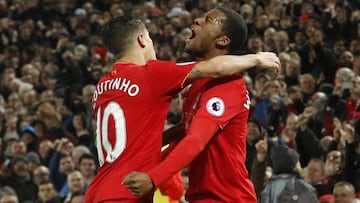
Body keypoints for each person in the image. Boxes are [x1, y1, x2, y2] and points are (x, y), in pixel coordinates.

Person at [85, 15, 280, 203]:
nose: (197, 20)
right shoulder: (153, 74)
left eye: (208, 20)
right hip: (128, 194)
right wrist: (256, 59)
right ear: (142, 40)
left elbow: (191, 137)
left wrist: (153, 173)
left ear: (223, 40)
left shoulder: (102, 87)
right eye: (151, 37)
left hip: (225, 198)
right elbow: (216, 68)